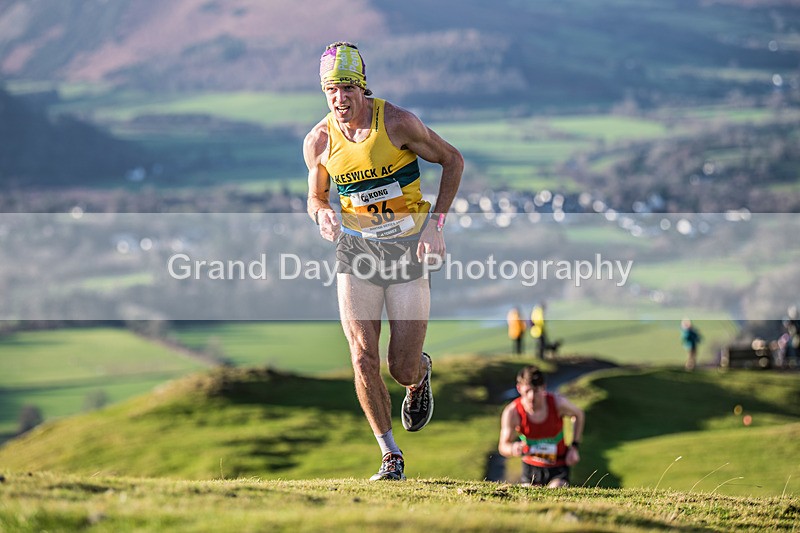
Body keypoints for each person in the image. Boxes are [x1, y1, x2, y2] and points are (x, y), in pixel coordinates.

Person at [304, 42, 464, 481]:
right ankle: (390, 455)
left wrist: (437, 225)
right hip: (356, 252)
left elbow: (453, 160)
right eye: (331, 90)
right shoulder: (318, 141)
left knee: (401, 366)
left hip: (408, 250)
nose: (339, 99)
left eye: (347, 88)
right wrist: (322, 214)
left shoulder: (397, 123)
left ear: (362, 87)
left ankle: (420, 374)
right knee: (361, 357)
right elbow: (316, 195)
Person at [497, 366, 585, 487]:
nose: (532, 396)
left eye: (536, 391)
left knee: (557, 490)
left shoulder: (557, 403)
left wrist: (574, 447)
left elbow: (578, 415)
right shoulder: (512, 412)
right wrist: (513, 448)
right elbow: (503, 446)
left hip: (558, 465)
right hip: (530, 466)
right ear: (519, 388)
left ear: (544, 388)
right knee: (529, 498)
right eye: (527, 391)